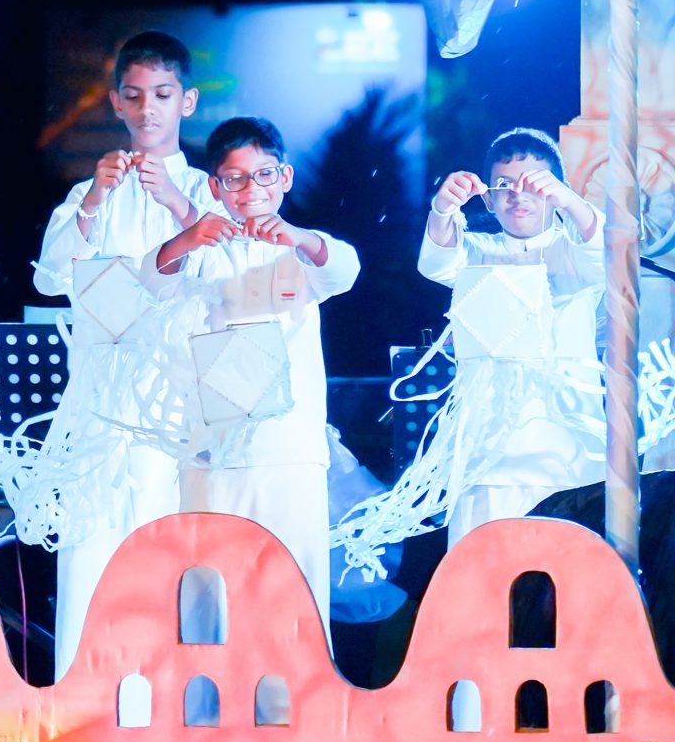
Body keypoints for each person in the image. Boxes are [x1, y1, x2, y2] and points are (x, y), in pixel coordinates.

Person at [23, 31, 214, 677]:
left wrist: (176, 203)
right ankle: (83, 705)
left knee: (167, 553)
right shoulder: (87, 194)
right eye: (133, 96)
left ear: (186, 102)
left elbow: (226, 275)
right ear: (115, 103)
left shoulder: (208, 192)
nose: (147, 108)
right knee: (91, 554)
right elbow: (50, 277)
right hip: (101, 409)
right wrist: (98, 199)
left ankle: (169, 708)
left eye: (162, 94)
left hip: (176, 409)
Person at [337, 128, 603, 565]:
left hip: (566, 460)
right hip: (486, 463)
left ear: (554, 188)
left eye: (532, 183)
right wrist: (443, 207)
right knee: (480, 588)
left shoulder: (570, 253)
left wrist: (569, 201)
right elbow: (438, 261)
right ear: (488, 197)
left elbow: (603, 254)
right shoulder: (478, 251)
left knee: (565, 591)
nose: (517, 196)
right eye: (503, 185)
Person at [143, 116, 358, 624]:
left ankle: (294, 705)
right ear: (216, 186)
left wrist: (298, 237)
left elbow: (344, 269)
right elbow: (150, 281)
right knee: (211, 604)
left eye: (263, 175)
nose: (250, 190)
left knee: (291, 602)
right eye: (234, 179)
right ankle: (207, 704)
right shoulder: (204, 250)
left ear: (284, 177)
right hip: (213, 455)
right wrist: (188, 238)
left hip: (289, 455)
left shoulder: (303, 250)